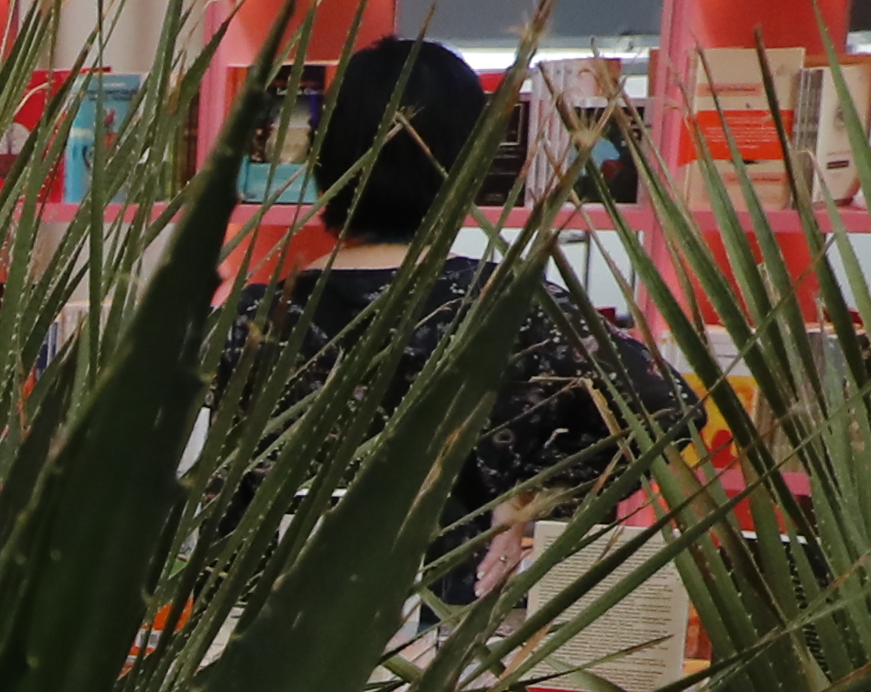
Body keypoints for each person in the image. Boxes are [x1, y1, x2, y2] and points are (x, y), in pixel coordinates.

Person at [206, 37, 693, 604]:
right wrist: (527, 504)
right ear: (471, 163)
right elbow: (666, 408)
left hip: (259, 648)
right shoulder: (513, 308)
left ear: (325, 156)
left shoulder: (250, 320)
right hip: (441, 650)